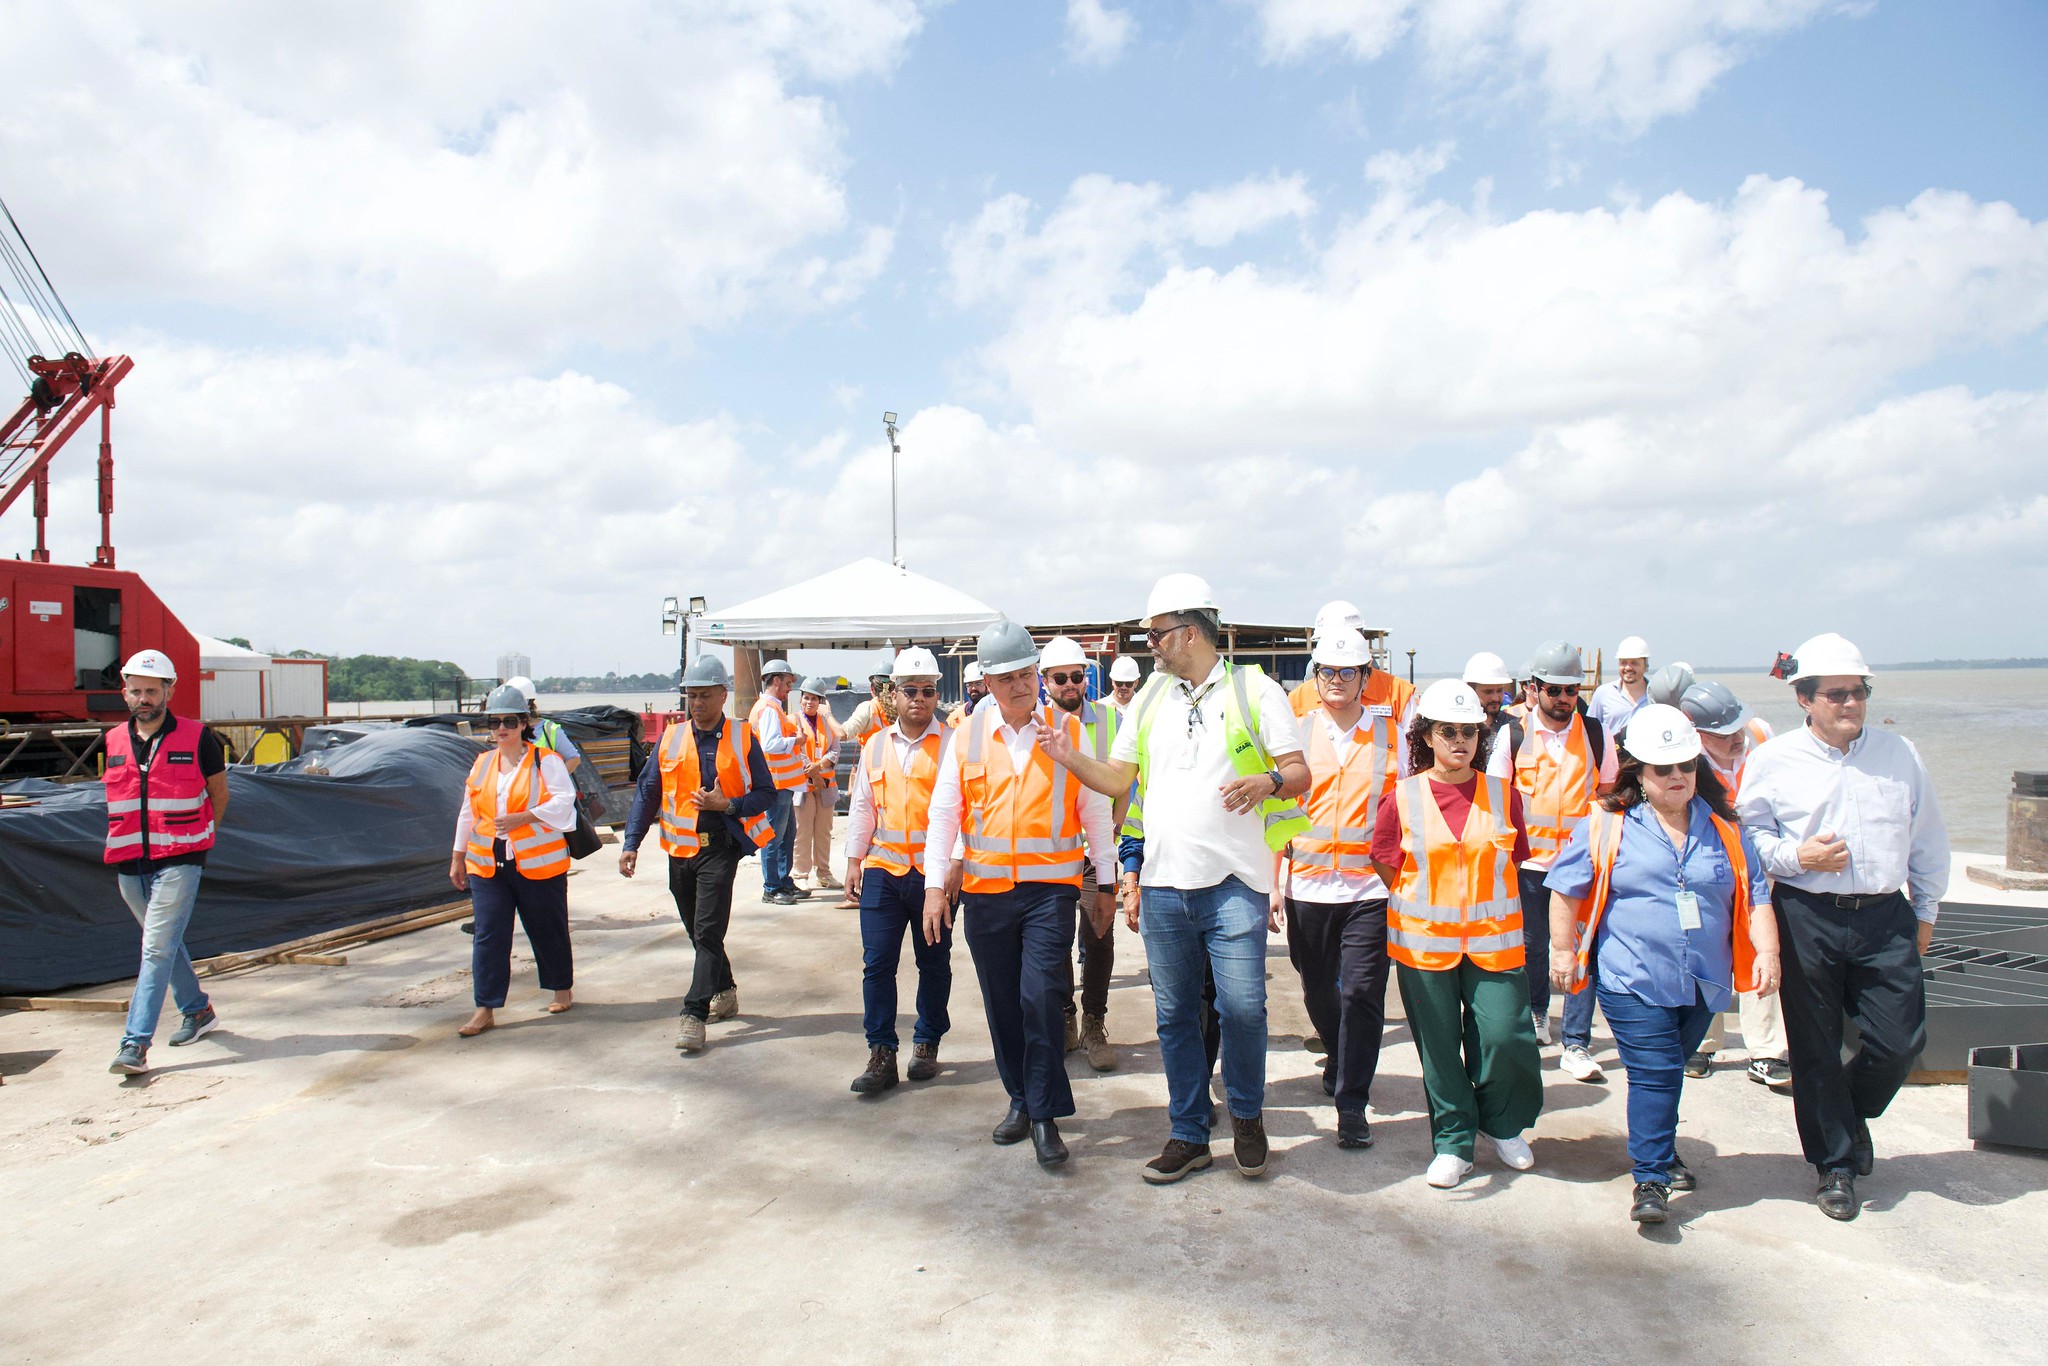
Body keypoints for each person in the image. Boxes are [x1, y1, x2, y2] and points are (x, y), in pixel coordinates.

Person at [1046, 574, 1309, 1186]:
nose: (1149, 644)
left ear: (1190, 632)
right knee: (1175, 1018)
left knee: (1243, 1010)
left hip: (1236, 885)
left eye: (1156, 633)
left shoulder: (1256, 689)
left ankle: (1246, 1117)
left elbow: (1299, 772)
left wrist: (1268, 782)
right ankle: (1189, 1133)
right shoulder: (1150, 698)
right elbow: (1119, 780)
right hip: (1165, 889)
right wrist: (1069, 757)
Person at [1737, 634, 1948, 1222]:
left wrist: (1926, 910)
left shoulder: (1899, 753)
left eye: (1859, 691)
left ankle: (1849, 1113)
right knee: (1814, 1048)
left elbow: (1927, 835)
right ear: (1804, 698)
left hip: (1885, 915)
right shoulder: (1773, 760)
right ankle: (1834, 1165)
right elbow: (1750, 837)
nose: (1851, 703)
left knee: (1900, 1041)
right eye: (1837, 694)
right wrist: (1796, 856)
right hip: (1807, 915)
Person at [1543, 704, 1782, 1223]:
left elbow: (1757, 896)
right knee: (1655, 1073)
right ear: (1638, 773)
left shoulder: (1725, 828)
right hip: (1632, 977)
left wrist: (1768, 953)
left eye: (1686, 766)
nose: (1678, 776)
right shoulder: (1606, 824)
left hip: (1705, 982)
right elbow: (1564, 889)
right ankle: (1651, 1178)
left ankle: (1660, 1146)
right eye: (1664, 768)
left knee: (1670, 1069)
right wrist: (1562, 950)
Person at [922, 621, 1118, 1169]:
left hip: (1050, 892)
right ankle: (1021, 1101)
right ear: (985, 682)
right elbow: (945, 815)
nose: (1019, 686)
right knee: (1003, 1003)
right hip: (986, 894)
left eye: (1026, 675)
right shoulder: (967, 735)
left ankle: (1046, 1115)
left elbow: (1095, 811)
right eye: (1006, 678)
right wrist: (935, 887)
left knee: (1041, 997)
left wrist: (1106, 881)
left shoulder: (1067, 732)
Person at [1369, 680, 1541, 1189]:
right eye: (1448, 731)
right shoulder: (1402, 798)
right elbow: (1386, 862)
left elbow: (1514, 862)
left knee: (1505, 1036)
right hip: (1425, 946)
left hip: (1494, 943)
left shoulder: (1503, 796)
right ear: (1426, 736)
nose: (1460, 740)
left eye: (1469, 731)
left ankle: (1502, 1123)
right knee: (1440, 1049)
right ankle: (1453, 1142)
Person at [1272, 626, 1395, 1150]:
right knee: (1317, 987)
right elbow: (1277, 812)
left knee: (1362, 993)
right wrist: (1273, 882)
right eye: (1328, 671)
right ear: (1315, 676)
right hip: (1308, 886)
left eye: (1349, 671)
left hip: (1370, 888)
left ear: (1366, 677)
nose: (1337, 680)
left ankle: (1352, 1105)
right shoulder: (1294, 734)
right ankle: (1339, 1055)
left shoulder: (1392, 737)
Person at [619, 655, 777, 1054]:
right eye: (692, 696)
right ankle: (724, 988)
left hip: (720, 849)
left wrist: (728, 805)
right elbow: (648, 792)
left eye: (705, 695)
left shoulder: (743, 737)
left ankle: (694, 1013)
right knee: (696, 930)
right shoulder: (670, 738)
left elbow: (766, 793)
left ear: (723, 695)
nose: (698, 703)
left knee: (708, 931)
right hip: (679, 851)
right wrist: (631, 842)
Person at [103, 650, 230, 1076]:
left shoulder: (198, 737)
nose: (144, 699)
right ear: (125, 693)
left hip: (181, 858)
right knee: (163, 943)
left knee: (155, 948)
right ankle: (198, 1010)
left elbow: (219, 793)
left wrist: (202, 838)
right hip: (130, 862)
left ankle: (134, 1044)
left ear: (168, 692)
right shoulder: (113, 740)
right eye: (136, 691)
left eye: (152, 691)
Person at [842, 648, 954, 1094]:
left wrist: (953, 868)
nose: (919, 698)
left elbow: (964, 812)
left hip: (932, 876)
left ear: (936, 694)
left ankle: (926, 1042)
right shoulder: (875, 745)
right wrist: (854, 860)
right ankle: (881, 1053)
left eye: (928, 690)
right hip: (884, 869)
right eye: (910, 690)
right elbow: (863, 806)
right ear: (893, 694)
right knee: (877, 964)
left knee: (934, 963)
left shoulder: (952, 744)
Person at [1510, 640, 1617, 1078]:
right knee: (1533, 947)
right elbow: (1496, 801)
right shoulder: (1512, 735)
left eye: (1571, 690)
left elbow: (1610, 795)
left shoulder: (1596, 735)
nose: (1563, 699)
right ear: (1535, 688)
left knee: (1579, 950)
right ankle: (1537, 1013)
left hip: (1579, 866)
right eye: (1554, 690)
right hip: (1529, 866)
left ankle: (1576, 1042)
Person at [449, 684, 577, 1038]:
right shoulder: (482, 764)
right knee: (489, 934)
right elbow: (468, 812)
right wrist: (458, 856)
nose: (501, 728)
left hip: (538, 864)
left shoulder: (545, 761)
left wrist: (526, 817)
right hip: (488, 865)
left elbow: (564, 802)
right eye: (494, 722)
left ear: (524, 723)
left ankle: (561, 987)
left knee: (547, 928)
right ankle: (485, 1007)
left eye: (509, 721)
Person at [1680, 680, 1790, 1088]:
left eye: (1737, 727)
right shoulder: (1685, 761)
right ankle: (1703, 1043)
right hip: (1712, 866)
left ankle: (1766, 1050)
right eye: (1724, 733)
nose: (1736, 738)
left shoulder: (1762, 738)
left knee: (1762, 950)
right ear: (1698, 733)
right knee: (1707, 947)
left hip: (1761, 864)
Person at [1042, 635, 1126, 1072]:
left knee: (1098, 933)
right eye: (1061, 679)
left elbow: (1125, 780)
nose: (1070, 685)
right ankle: (1065, 1017)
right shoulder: (1034, 724)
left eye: (1077, 676)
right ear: (1045, 682)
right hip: (1052, 854)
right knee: (1054, 941)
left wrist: (1112, 828)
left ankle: (1095, 1022)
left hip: (1098, 851)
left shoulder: (1112, 720)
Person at [750, 659, 809, 905]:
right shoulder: (769, 709)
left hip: (782, 784)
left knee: (786, 834)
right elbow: (770, 744)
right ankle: (772, 887)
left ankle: (783, 881)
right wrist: (797, 741)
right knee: (774, 836)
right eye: (787, 683)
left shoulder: (770, 708)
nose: (789, 689)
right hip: (775, 784)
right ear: (776, 681)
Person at [792, 676, 843, 895]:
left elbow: (835, 749)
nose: (809, 702)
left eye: (814, 699)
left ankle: (824, 873)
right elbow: (797, 751)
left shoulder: (828, 722)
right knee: (802, 832)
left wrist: (820, 766)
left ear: (821, 701)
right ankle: (800, 875)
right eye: (806, 698)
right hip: (804, 787)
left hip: (826, 786)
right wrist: (814, 775)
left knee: (823, 831)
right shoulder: (793, 720)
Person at [505, 675, 581, 775]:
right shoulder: (502, 729)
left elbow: (574, 759)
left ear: (529, 703)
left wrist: (555, 781)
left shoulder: (549, 729)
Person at [1462, 651, 1516, 779]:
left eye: (1500, 691)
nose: (1495, 698)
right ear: (1471, 690)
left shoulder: (1516, 729)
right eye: (1488, 692)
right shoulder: (1458, 730)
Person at [1586, 636, 1651, 738]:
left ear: (1646, 666)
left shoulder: (1656, 696)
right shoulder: (1603, 694)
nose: (1628, 668)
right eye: (1623, 662)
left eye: (1634, 663)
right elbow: (1589, 731)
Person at [846, 652, 899, 743]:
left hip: (871, 752)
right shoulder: (903, 708)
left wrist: (827, 714)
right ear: (894, 688)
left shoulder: (868, 708)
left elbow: (844, 734)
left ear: (872, 688)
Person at [949, 662, 986, 730]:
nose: (973, 688)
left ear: (987, 684)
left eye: (978, 683)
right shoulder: (955, 717)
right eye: (969, 684)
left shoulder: (998, 712)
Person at [1106, 655, 1142, 719]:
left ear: (1136, 683)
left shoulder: (1144, 707)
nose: (1123, 687)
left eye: (1128, 683)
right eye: (1119, 683)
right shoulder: (1100, 707)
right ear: (1112, 682)